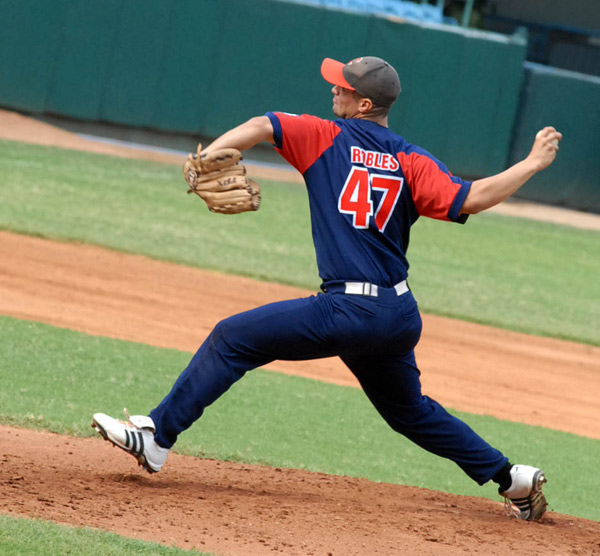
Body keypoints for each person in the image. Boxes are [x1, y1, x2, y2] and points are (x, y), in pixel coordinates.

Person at [93, 56, 561, 521]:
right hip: (397, 315)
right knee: (409, 411)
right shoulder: (411, 159)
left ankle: (156, 438)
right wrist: (532, 164)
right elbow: (473, 198)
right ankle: (511, 478)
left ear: (363, 104)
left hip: (348, 310)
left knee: (232, 337)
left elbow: (261, 125)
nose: (332, 89)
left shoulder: (324, 137)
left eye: (341, 86)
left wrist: (204, 161)